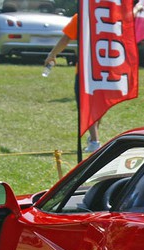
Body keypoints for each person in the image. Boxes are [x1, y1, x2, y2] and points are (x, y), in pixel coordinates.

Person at [45, 14, 101, 153]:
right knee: (98, 104)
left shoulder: (82, 14)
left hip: (85, 69)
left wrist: (52, 54)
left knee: (86, 104)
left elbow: (66, 38)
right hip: (105, 68)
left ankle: (94, 141)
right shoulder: (111, 13)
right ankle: (94, 137)